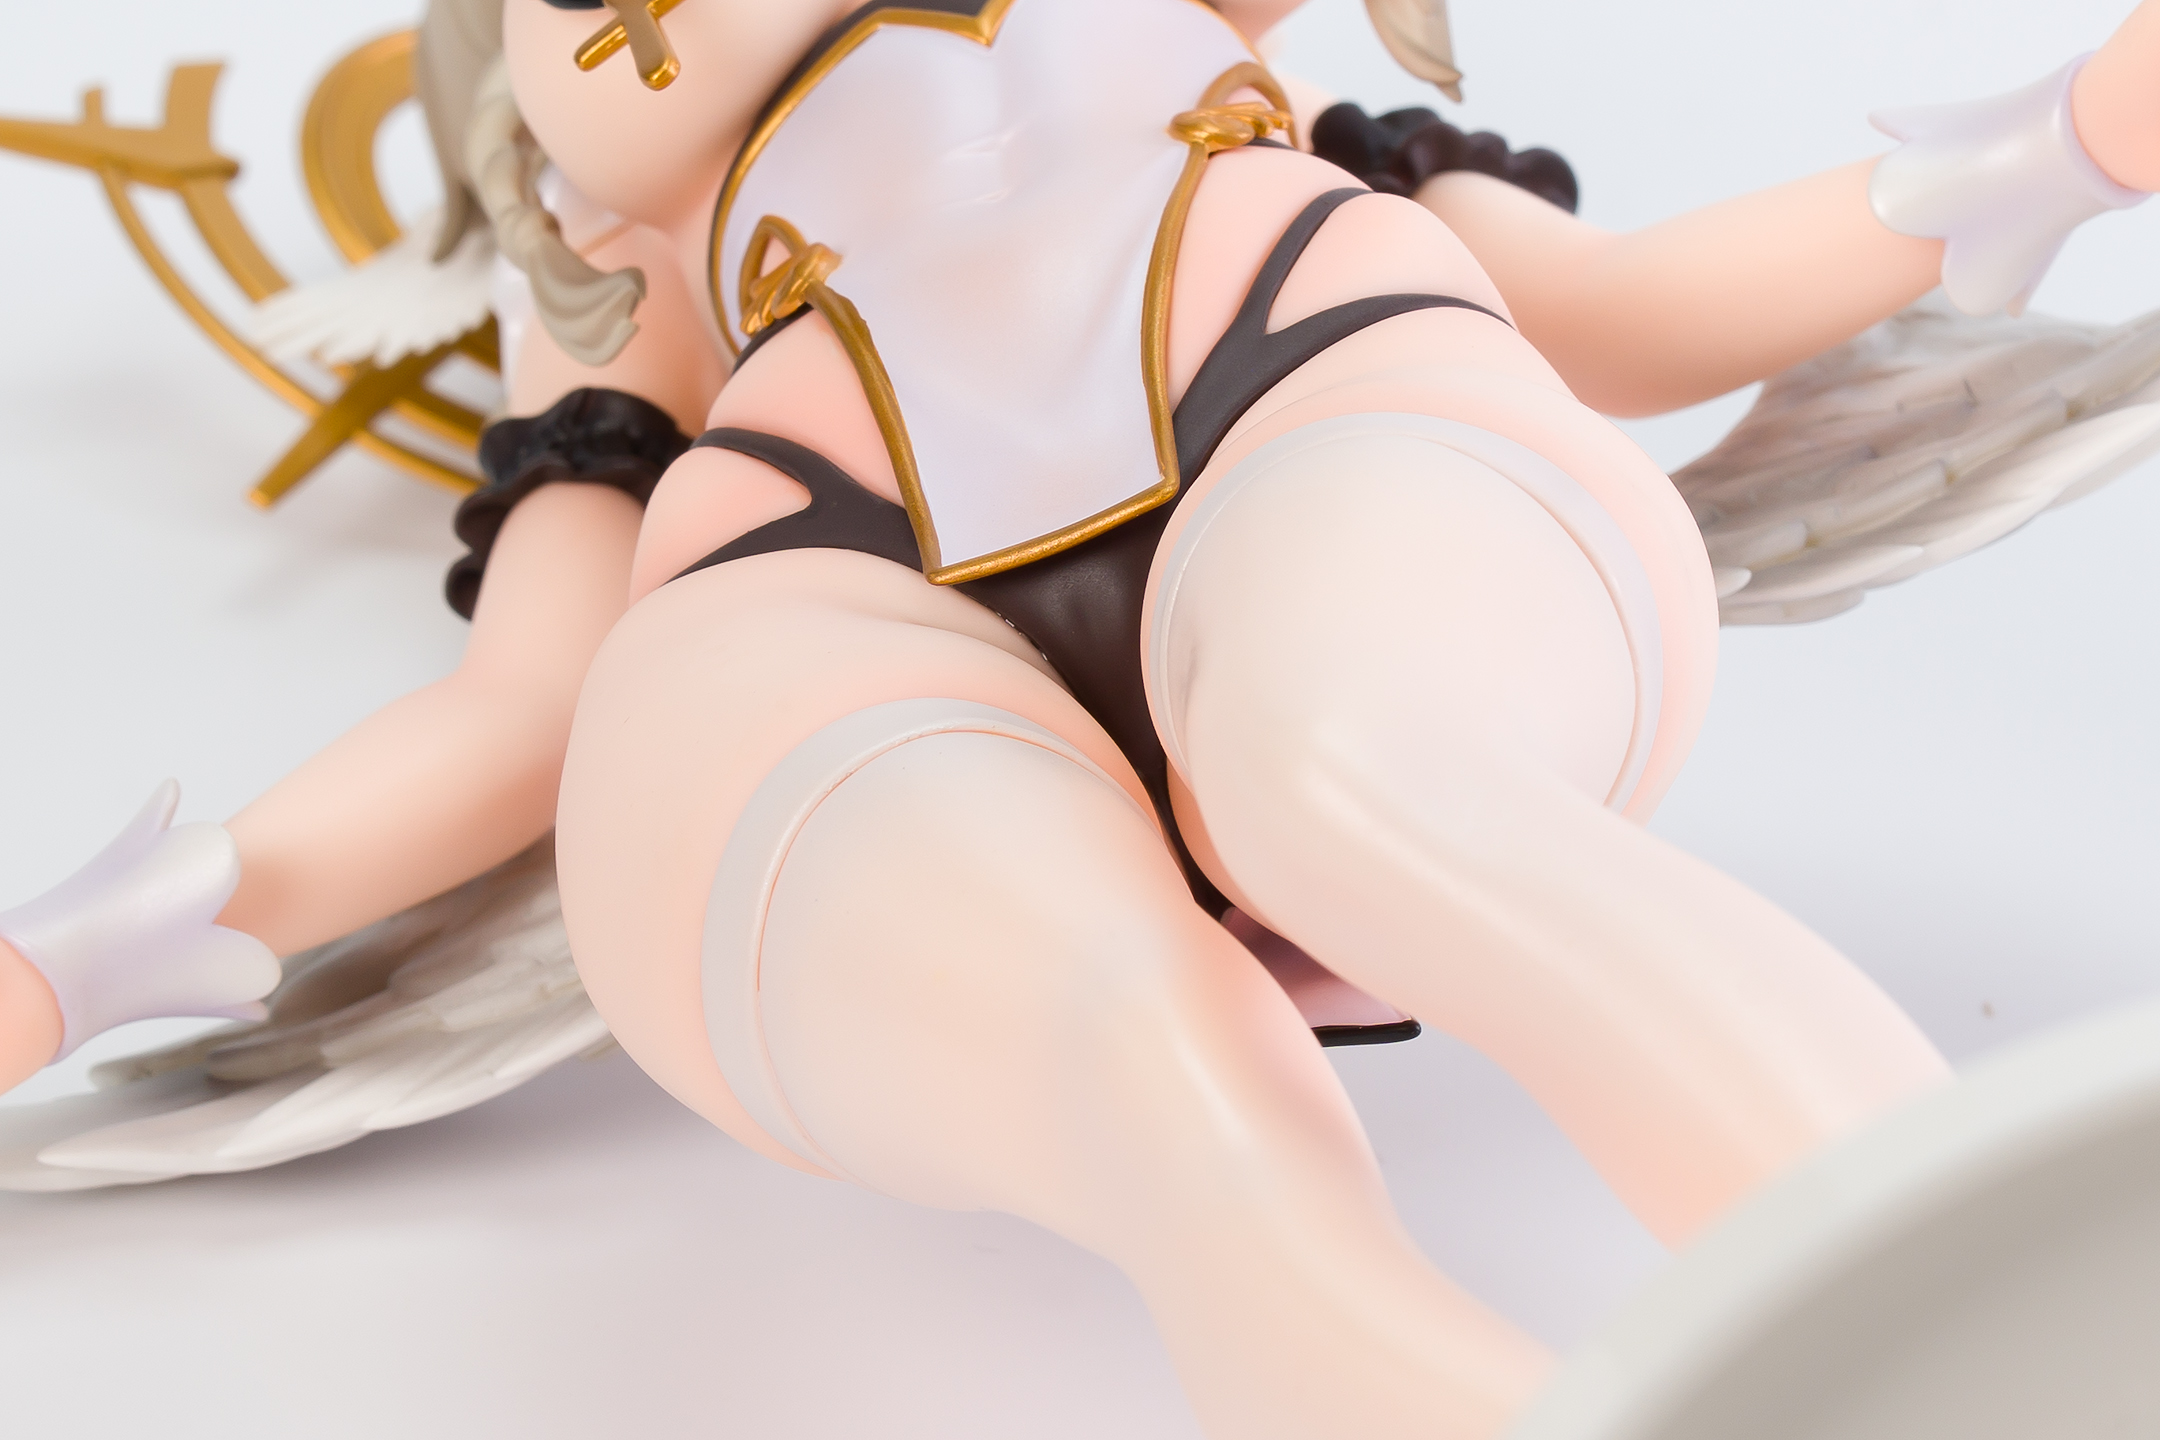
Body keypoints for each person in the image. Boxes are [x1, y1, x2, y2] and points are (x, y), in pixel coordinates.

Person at [5, 1, 2160, 1432]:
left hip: (1310, 378)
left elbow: (1627, 313)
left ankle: (2004, 1343)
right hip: (815, 579)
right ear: (538, 156)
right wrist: (77, 961)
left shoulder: (1265, 110)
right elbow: (525, 716)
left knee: (1364, 778)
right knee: (1158, 1078)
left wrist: (2063, 143)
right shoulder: (624, 289)